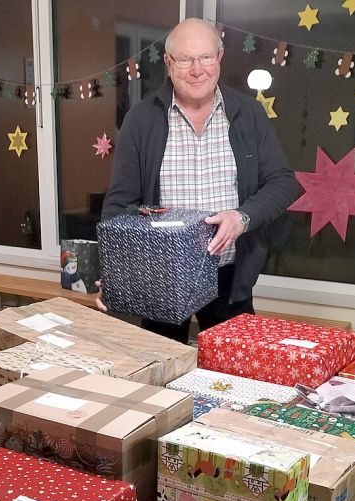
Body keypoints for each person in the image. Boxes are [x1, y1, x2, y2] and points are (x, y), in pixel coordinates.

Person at [98, 17, 300, 343]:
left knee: (235, 376)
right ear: (167, 63)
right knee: (161, 377)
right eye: (185, 59)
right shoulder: (141, 119)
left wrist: (241, 217)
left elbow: (283, 182)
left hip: (230, 276)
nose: (197, 69)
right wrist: (112, 273)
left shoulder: (249, 114)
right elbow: (119, 204)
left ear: (219, 58)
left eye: (206, 57)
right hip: (160, 275)